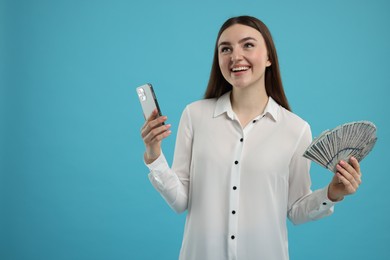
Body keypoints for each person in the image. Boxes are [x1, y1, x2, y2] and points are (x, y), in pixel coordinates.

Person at [140, 15, 362, 260]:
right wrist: (154, 154)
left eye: (248, 45)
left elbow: (296, 210)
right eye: (226, 49)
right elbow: (180, 201)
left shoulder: (296, 129)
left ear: (269, 57)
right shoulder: (195, 115)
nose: (235, 56)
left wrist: (332, 193)